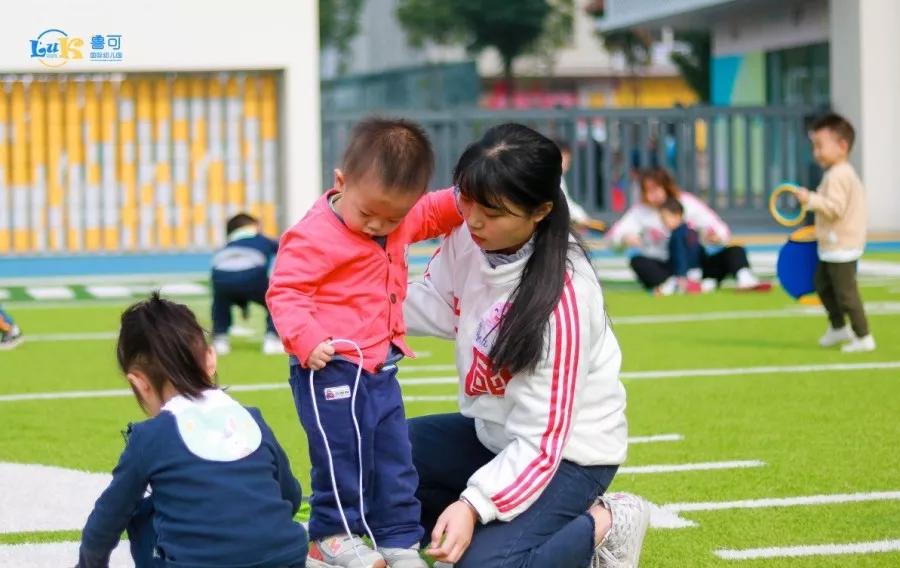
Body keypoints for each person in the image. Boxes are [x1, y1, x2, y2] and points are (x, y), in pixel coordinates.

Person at [403, 123, 649, 568]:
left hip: (568, 456)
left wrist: (472, 505)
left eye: (493, 213)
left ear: (540, 211)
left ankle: (604, 524)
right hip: (493, 434)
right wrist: (357, 307)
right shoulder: (468, 236)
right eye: (467, 200)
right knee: (383, 453)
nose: (473, 219)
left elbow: (542, 443)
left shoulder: (565, 299)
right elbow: (438, 304)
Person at [266, 118, 463, 568]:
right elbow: (286, 291)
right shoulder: (314, 234)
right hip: (328, 365)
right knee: (342, 454)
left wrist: (466, 196)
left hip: (379, 365)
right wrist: (307, 338)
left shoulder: (397, 218)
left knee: (394, 455)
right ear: (341, 182)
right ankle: (332, 533)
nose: (378, 225)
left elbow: (432, 212)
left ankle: (396, 537)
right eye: (368, 213)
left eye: (392, 218)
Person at [78, 293, 308, 568]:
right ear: (211, 360)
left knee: (141, 512)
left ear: (139, 384)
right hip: (287, 560)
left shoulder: (150, 436)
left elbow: (106, 520)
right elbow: (290, 496)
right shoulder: (250, 418)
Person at [606, 167, 771, 295]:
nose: (651, 196)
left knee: (735, 251)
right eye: (647, 191)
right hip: (666, 266)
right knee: (638, 262)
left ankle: (745, 279)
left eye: (655, 190)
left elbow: (720, 229)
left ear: (666, 186)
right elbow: (613, 238)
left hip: (696, 262)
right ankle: (680, 284)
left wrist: (715, 236)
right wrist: (624, 239)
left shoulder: (687, 202)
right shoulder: (640, 211)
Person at [797, 113, 875, 352]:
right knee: (822, 284)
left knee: (846, 293)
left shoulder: (840, 175)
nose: (816, 152)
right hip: (832, 245)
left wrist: (810, 199)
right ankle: (838, 326)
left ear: (842, 146)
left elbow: (835, 208)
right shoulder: (835, 173)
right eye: (814, 146)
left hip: (842, 246)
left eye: (820, 146)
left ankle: (863, 336)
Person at [210, 212, 281, 355]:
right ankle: (272, 339)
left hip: (221, 277)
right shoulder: (261, 240)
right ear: (252, 227)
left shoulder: (227, 245)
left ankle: (220, 339)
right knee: (276, 298)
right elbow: (286, 247)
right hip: (252, 275)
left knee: (220, 302)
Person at [555, 139, 607, 232]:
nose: (568, 164)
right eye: (566, 159)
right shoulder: (552, 178)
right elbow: (565, 205)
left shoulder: (559, 178)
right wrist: (582, 219)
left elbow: (567, 202)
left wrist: (583, 218)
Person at [658, 197, 703, 294]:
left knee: (670, 285)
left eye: (665, 218)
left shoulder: (677, 235)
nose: (664, 222)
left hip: (684, 272)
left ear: (677, 215)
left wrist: (682, 275)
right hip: (696, 270)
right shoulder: (690, 231)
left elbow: (680, 255)